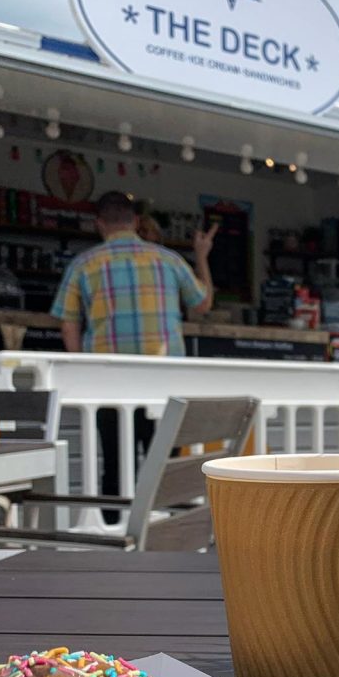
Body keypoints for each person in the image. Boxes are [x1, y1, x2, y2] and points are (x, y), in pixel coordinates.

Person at [50, 191, 219, 519]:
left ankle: (116, 535)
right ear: (136, 221)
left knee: (115, 463)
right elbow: (202, 304)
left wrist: (83, 369)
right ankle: (171, 536)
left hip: (109, 385)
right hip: (165, 386)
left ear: (99, 224)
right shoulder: (168, 259)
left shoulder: (84, 264)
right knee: (167, 468)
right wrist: (201, 255)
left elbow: (68, 323)